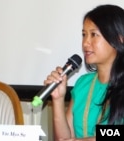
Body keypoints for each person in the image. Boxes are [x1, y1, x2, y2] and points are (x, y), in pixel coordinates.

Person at [44, 4, 124, 141]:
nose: (85, 43)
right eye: (84, 35)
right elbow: (63, 139)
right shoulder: (83, 84)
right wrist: (58, 99)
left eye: (94, 35)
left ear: (119, 39)